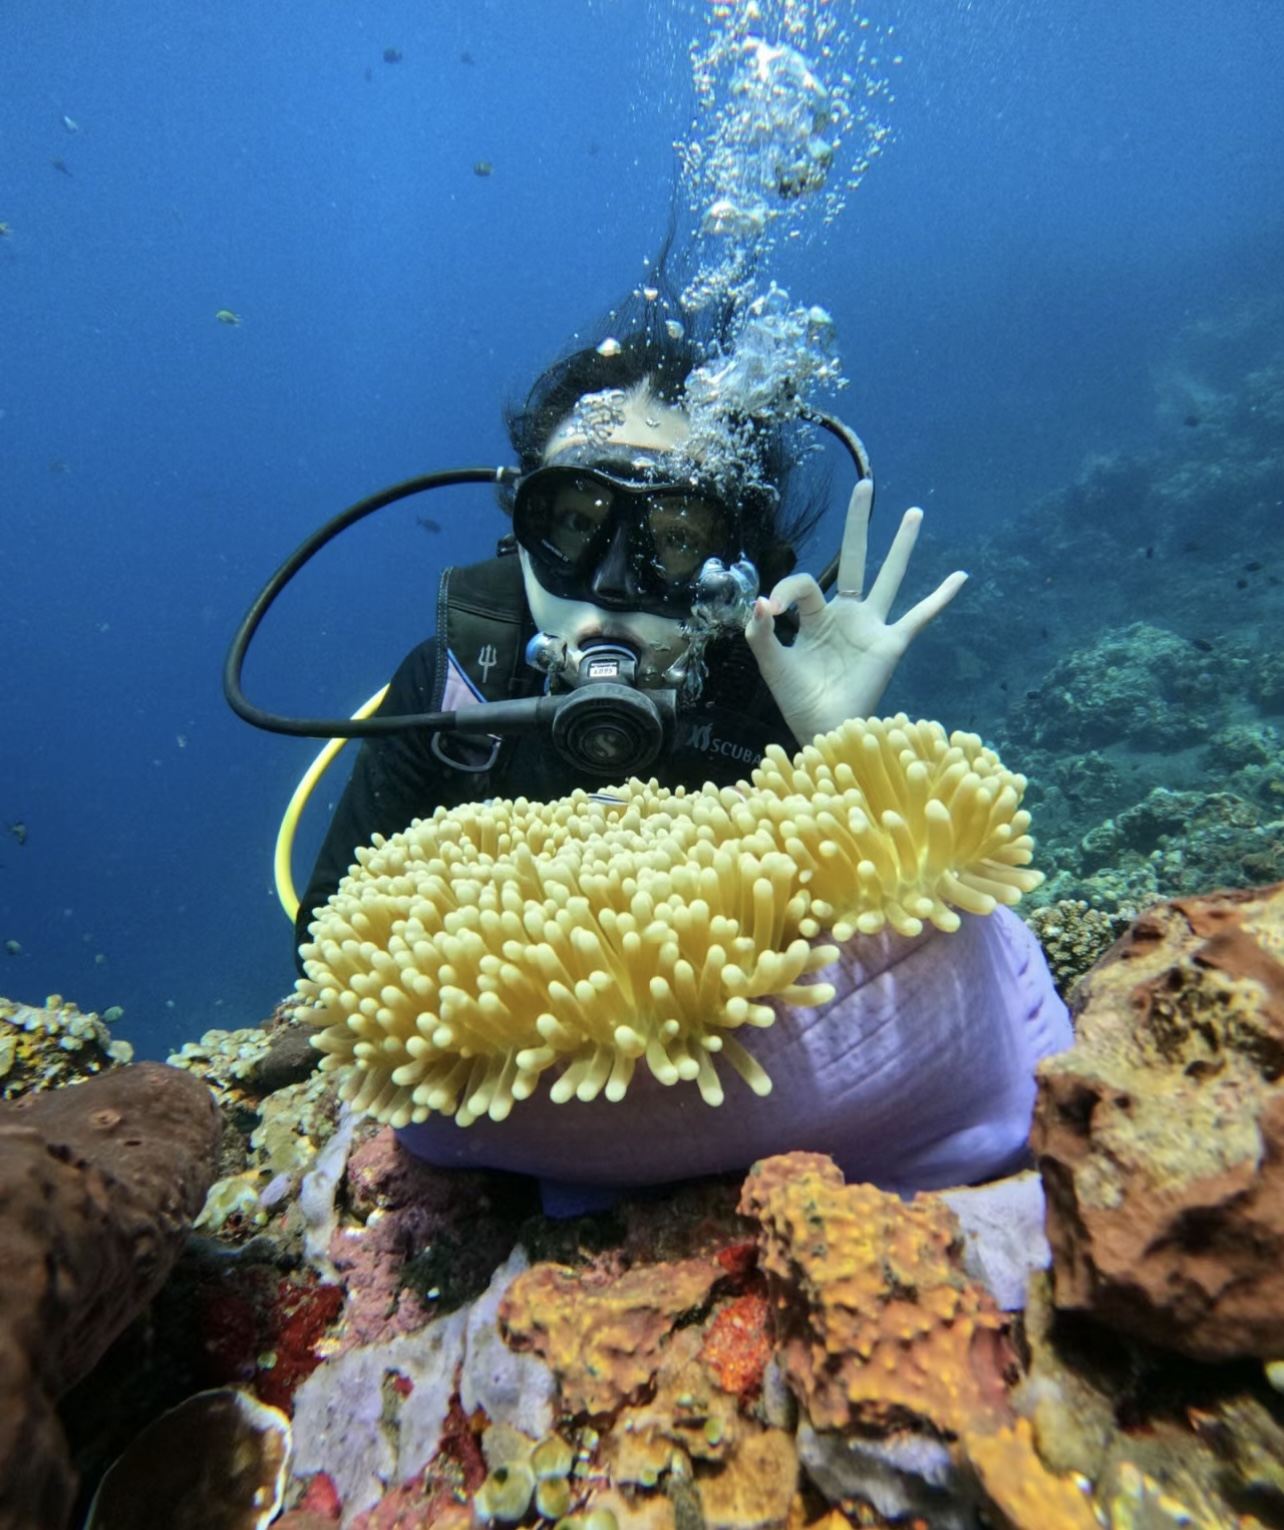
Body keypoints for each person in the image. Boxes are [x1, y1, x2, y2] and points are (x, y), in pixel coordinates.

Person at [294, 308, 965, 960]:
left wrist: (836, 754)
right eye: (576, 527)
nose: (611, 585)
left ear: (737, 565)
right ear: (524, 534)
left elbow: (896, 944)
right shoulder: (458, 686)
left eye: (674, 538)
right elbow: (325, 940)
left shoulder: (774, 692)